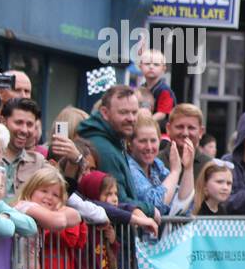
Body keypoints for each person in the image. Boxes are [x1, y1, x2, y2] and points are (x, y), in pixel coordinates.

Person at [78, 85, 157, 216]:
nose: (131, 118)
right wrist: (150, 209)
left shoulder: (114, 141)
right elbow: (118, 201)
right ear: (104, 112)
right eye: (123, 112)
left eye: (134, 112)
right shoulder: (104, 149)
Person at [128, 115, 195, 217]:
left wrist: (188, 168)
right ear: (130, 144)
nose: (149, 147)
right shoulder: (129, 167)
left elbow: (182, 205)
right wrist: (175, 172)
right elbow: (155, 205)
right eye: (143, 141)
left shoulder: (157, 165)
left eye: (153, 141)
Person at [0, 97, 47, 200]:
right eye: (18, 123)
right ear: (3, 121)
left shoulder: (39, 162)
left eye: (29, 124)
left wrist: (74, 160)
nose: (24, 130)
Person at [166, 103, 212, 179]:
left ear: (201, 132)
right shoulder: (154, 162)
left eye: (191, 128)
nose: (185, 133)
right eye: (179, 127)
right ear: (168, 129)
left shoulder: (210, 167)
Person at [138, 47, 176, 126]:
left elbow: (162, 114)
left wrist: (145, 122)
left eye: (156, 64)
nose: (151, 67)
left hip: (162, 129)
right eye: (147, 64)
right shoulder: (141, 88)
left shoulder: (165, 91)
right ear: (140, 66)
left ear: (163, 68)